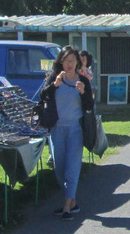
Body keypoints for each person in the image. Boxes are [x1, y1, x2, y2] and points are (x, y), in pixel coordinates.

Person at [36, 46, 94, 220]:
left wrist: (83, 92)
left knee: (72, 167)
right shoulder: (54, 78)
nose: (68, 64)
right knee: (59, 168)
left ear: (78, 62)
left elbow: (89, 106)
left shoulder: (83, 80)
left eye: (72, 61)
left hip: (75, 128)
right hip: (56, 128)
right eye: (65, 60)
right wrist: (54, 86)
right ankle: (73, 201)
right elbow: (42, 96)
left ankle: (67, 207)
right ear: (60, 62)